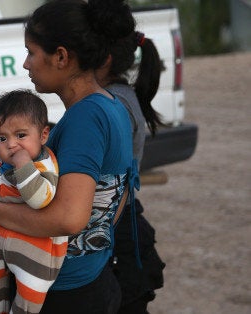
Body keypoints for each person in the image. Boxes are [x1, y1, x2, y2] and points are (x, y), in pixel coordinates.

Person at [0, 0, 138, 313]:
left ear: (61, 56)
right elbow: (117, 194)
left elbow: (69, 218)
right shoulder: (109, 105)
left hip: (62, 291)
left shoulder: (86, 118)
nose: (26, 64)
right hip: (88, 276)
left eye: (31, 52)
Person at [0, 90, 67, 314]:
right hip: (2, 231)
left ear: (43, 135)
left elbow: (38, 201)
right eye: (1, 138)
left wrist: (24, 165)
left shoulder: (45, 165)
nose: (11, 145)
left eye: (21, 135)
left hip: (37, 245)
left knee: (31, 290)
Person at [98, 31, 166, 314]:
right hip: (123, 223)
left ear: (105, 59)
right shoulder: (122, 95)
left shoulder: (113, 104)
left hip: (119, 231)